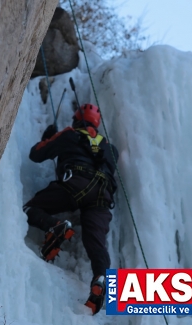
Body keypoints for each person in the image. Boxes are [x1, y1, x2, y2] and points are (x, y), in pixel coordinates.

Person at [23, 103, 118, 315]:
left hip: (75, 183)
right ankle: (100, 278)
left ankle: (54, 226)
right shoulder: (111, 149)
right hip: (102, 197)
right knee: (97, 245)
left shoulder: (69, 135)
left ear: (76, 120)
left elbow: (36, 154)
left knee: (29, 209)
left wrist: (48, 137)